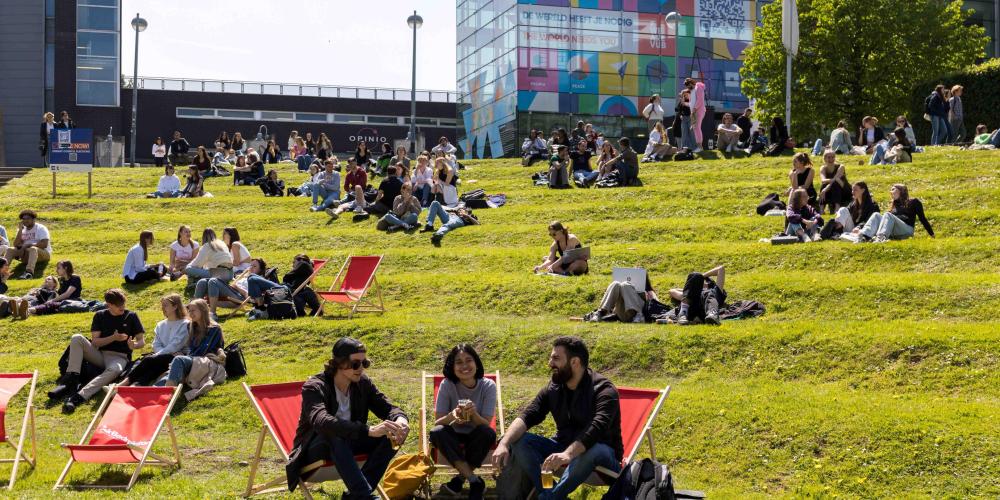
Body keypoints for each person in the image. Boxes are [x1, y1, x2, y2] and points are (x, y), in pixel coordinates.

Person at [493, 337, 622, 500]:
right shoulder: (554, 387)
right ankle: (550, 492)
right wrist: (504, 443)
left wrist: (568, 454)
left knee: (593, 449)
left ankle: (549, 497)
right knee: (519, 440)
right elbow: (529, 415)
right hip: (564, 449)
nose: (549, 363)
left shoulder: (604, 390)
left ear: (575, 362)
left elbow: (596, 429)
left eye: (556, 358)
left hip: (602, 459)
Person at [285, 338, 409, 498]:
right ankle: (364, 495)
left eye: (365, 363)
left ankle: (356, 495)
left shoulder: (362, 383)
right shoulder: (315, 387)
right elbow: (321, 421)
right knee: (333, 433)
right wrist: (368, 430)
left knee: (392, 434)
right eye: (355, 364)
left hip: (348, 445)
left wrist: (400, 421)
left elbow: (388, 408)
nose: (361, 369)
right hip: (316, 449)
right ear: (339, 363)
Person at [59, 289, 145, 413]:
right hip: (99, 354)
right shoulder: (100, 315)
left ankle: (79, 397)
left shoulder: (131, 316)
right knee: (76, 338)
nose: (122, 307)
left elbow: (141, 341)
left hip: (119, 357)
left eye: (123, 304)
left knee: (115, 369)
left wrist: (134, 346)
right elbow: (95, 342)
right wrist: (113, 338)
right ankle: (73, 378)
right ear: (109, 304)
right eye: (118, 305)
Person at [431, 344, 497, 500]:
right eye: (459, 362)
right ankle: (475, 481)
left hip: (476, 435)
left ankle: (459, 480)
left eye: (469, 360)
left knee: (487, 433)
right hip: (453, 435)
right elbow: (438, 422)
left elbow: (486, 424)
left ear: (476, 363)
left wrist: (473, 414)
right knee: (437, 432)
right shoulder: (447, 385)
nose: (465, 366)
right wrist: (453, 415)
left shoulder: (488, 386)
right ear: (452, 367)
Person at [119, 293, 190, 387]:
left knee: (149, 360)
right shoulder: (161, 325)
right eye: (162, 305)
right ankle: (136, 385)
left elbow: (176, 345)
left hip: (178, 356)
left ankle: (123, 384)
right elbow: (156, 344)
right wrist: (158, 355)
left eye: (166, 305)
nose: (163, 308)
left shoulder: (185, 324)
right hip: (163, 356)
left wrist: (157, 355)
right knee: (154, 368)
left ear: (175, 306)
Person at [158, 299, 225, 394]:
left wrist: (185, 357)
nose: (190, 313)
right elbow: (192, 348)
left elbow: (203, 350)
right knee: (170, 371)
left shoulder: (214, 329)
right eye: (189, 311)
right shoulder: (191, 327)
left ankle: (167, 392)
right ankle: (155, 392)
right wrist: (185, 355)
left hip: (206, 361)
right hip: (194, 359)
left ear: (203, 310)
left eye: (193, 310)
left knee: (178, 360)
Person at [858, 184, 934, 243]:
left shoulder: (914, 202)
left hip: (907, 230)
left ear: (901, 190)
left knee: (887, 215)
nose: (890, 192)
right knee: (876, 215)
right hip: (895, 231)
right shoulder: (894, 205)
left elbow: (922, 218)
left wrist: (931, 234)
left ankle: (881, 238)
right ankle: (864, 236)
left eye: (893, 189)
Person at [584, 271, 656, 323]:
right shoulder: (622, 286)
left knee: (625, 285)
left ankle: (639, 315)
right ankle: (599, 313)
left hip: (635, 314)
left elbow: (656, 307)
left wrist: (648, 297)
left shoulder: (649, 292)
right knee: (616, 283)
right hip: (620, 313)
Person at [6, 209, 53, 280]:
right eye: (23, 219)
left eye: (28, 218)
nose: (25, 221)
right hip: (26, 254)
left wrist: (28, 245)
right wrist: (20, 230)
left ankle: (29, 273)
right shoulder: (22, 230)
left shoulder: (41, 228)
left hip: (43, 254)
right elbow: (16, 244)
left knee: (32, 249)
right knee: (10, 249)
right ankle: (2, 272)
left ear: (34, 219)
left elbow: (44, 244)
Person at [686, 78, 707, 151]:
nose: (688, 87)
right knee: (695, 128)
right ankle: (699, 147)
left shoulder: (698, 87)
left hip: (698, 110)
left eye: (688, 85)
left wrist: (694, 109)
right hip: (694, 112)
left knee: (697, 127)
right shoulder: (692, 90)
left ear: (692, 82)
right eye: (687, 86)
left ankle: (700, 147)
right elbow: (692, 103)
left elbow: (700, 100)